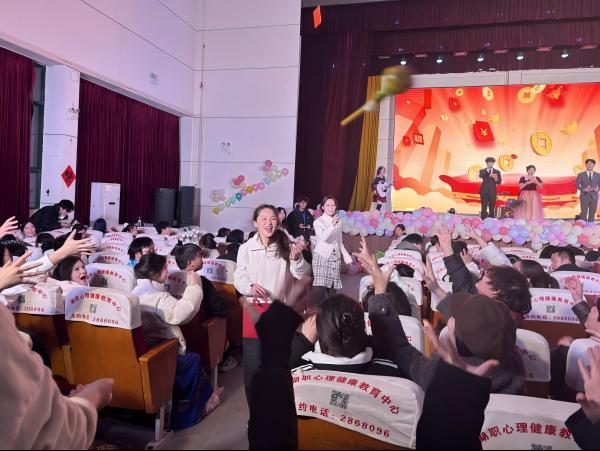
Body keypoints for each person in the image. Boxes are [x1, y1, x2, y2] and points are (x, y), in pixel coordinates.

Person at [132, 253, 219, 428]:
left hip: (143, 348)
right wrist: (194, 286)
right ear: (155, 272)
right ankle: (185, 415)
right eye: (165, 268)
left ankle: (207, 398)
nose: (167, 271)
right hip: (160, 351)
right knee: (192, 360)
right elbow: (182, 313)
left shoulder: (134, 292)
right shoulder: (157, 297)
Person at [233, 204, 309, 402]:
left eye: (273, 219)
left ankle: (277, 406)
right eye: (264, 219)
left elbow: (302, 273)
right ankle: (255, 411)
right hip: (253, 311)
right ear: (255, 222)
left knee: (278, 362)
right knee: (252, 364)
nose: (269, 223)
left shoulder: (286, 244)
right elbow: (239, 276)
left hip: (278, 311)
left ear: (278, 221)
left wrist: (297, 258)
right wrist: (249, 286)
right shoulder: (246, 248)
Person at [312, 196, 353, 301]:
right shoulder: (318, 222)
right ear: (323, 207)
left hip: (335, 257)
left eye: (333, 205)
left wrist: (346, 256)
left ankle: (331, 310)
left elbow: (339, 241)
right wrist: (332, 224)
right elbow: (323, 237)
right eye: (328, 205)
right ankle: (318, 310)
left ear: (336, 207)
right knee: (320, 290)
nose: (330, 207)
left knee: (332, 290)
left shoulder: (338, 222)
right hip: (321, 256)